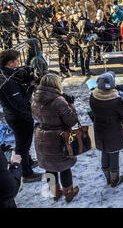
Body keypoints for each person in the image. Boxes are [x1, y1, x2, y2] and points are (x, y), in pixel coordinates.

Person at [31, 74, 79, 202]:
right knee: (64, 166)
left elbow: (35, 116)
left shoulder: (35, 99)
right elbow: (72, 120)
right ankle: (69, 193)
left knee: (49, 166)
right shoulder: (59, 101)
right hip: (58, 138)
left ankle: (55, 193)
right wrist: (71, 104)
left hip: (41, 136)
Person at [0, 49, 42, 183]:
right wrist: (30, 87)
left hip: (15, 115)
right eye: (17, 61)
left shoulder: (6, 74)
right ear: (10, 63)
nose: (19, 63)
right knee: (23, 145)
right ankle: (26, 173)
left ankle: (27, 161)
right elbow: (20, 103)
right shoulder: (6, 80)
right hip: (19, 117)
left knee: (24, 143)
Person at [90, 72, 123, 187]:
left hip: (99, 129)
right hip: (114, 130)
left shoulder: (93, 96)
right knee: (114, 154)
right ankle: (114, 180)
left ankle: (107, 178)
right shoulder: (116, 100)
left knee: (104, 151)